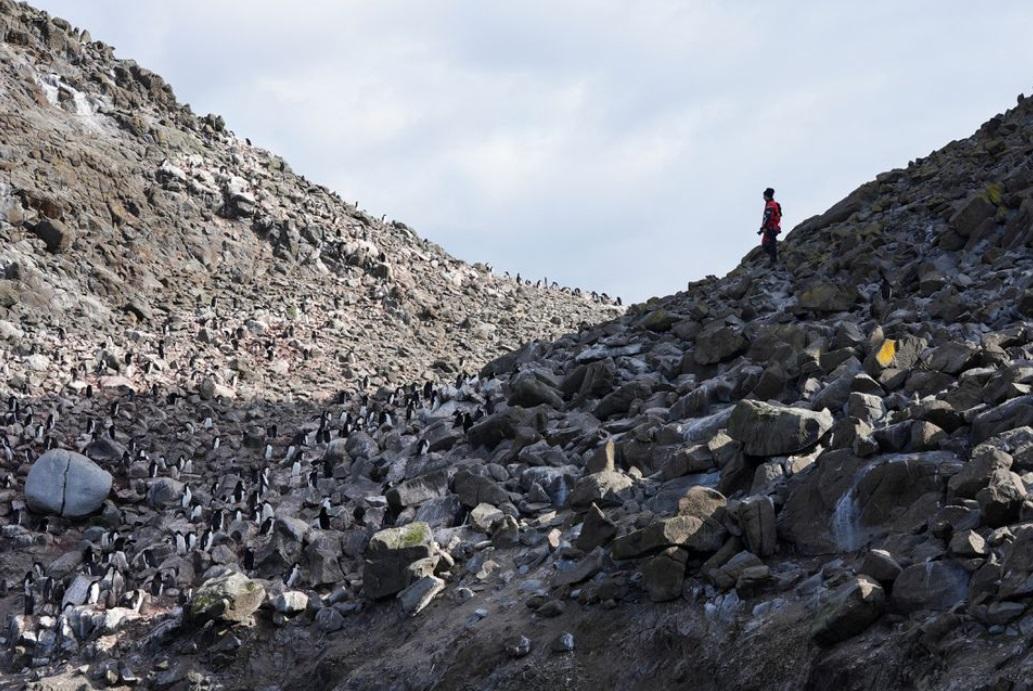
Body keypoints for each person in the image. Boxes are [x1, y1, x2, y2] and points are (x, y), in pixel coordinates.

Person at [757, 187, 782, 265]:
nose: (763, 197)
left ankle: (774, 261)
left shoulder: (771, 205)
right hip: (774, 227)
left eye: (764, 195)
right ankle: (774, 260)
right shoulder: (773, 204)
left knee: (769, 244)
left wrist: (763, 227)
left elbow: (768, 217)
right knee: (769, 243)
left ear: (767, 196)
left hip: (770, 227)